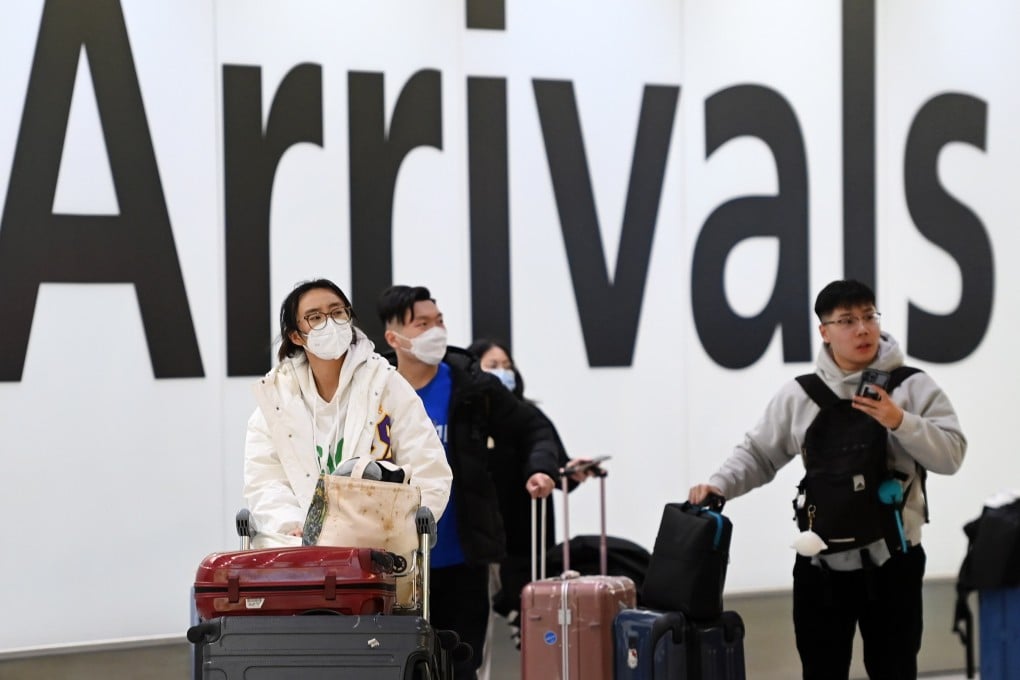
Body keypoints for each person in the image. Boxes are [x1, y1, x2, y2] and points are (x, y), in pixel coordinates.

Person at [688, 279, 966, 680]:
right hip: (821, 563)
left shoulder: (912, 386)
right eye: (847, 320)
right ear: (825, 331)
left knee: (895, 669)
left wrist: (900, 421)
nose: (863, 329)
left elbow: (952, 454)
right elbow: (758, 452)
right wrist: (718, 485)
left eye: (869, 316)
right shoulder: (801, 395)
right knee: (821, 670)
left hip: (894, 561)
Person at [378, 286, 561, 680]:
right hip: (395, 569)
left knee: (462, 667)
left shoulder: (472, 387)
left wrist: (540, 468)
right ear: (394, 338)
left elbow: (534, 427)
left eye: (439, 321)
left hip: (462, 560)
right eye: (421, 324)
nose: (435, 331)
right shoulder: (374, 390)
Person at [243, 278, 452, 549]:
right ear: (296, 336)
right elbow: (265, 480)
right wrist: (291, 527)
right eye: (315, 317)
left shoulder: (386, 383)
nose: (329, 322)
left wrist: (398, 533)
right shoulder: (276, 398)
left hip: (378, 554)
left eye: (337, 312)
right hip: (301, 555)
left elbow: (429, 468)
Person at [466, 339, 577, 647]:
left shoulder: (529, 416)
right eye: (493, 366)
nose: (503, 372)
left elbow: (556, 460)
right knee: (477, 622)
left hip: (526, 532)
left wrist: (569, 470)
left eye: (507, 365)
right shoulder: (470, 420)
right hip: (483, 532)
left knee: (535, 626)